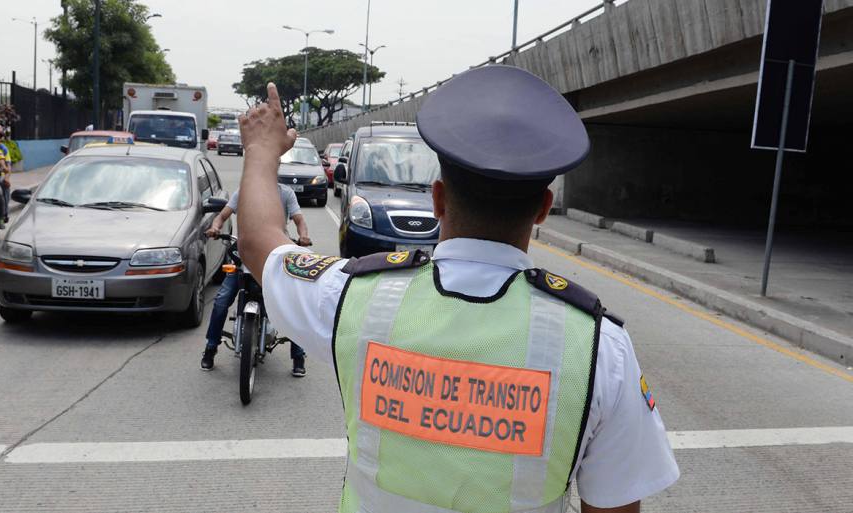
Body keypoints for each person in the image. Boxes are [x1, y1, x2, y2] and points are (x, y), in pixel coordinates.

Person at [235, 69, 678, 513]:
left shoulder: (354, 297)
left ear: (438, 199)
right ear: (543, 209)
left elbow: (259, 241)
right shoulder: (600, 349)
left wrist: (260, 150)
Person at [201, 185, 312, 376]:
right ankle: (211, 348)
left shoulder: (285, 193)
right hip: (245, 256)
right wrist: (215, 227)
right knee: (221, 302)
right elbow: (222, 215)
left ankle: (298, 355)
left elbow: (299, 220)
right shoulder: (243, 192)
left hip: (274, 257)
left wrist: (303, 236)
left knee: (293, 303)